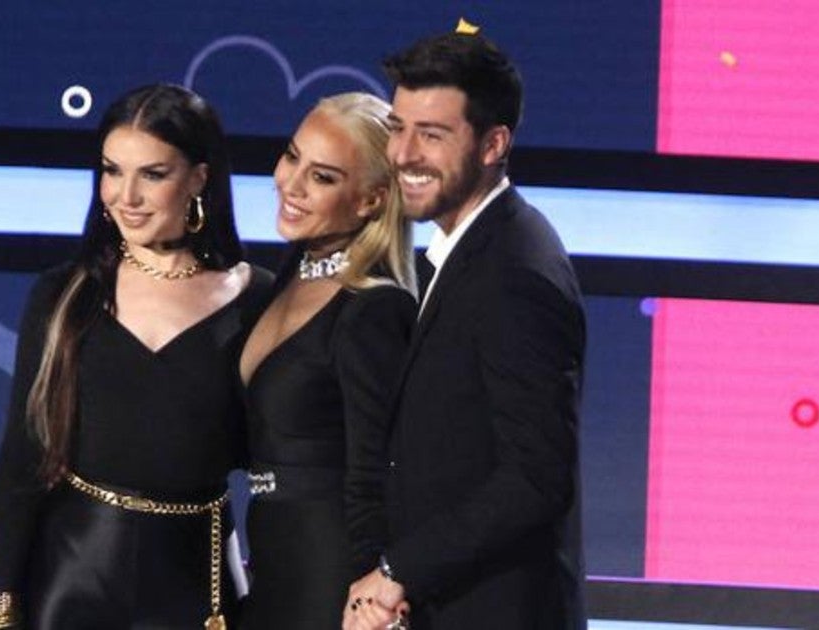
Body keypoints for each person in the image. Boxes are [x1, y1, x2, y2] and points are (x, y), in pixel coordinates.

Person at [0, 83, 272, 630]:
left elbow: (286, 460)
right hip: (73, 576)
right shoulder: (64, 295)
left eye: (152, 174)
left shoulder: (259, 300)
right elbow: (21, 459)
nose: (125, 196)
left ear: (200, 178)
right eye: (112, 171)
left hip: (198, 585)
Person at [344, 29, 587, 630]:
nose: (402, 153)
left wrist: (399, 570)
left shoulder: (514, 271)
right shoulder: (468, 250)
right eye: (398, 127)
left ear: (493, 143)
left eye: (432, 134)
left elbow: (535, 477)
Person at [236, 92, 417, 629]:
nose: (290, 184)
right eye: (292, 156)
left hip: (330, 572)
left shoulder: (375, 309)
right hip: (274, 558)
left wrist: (371, 596)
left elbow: (376, 474)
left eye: (323, 177)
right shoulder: (290, 272)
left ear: (370, 200)